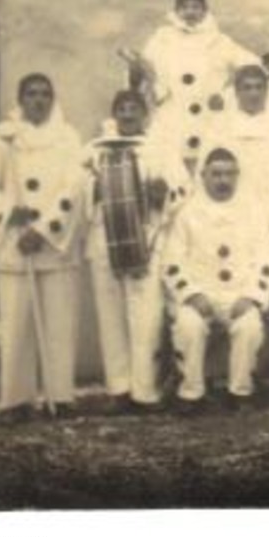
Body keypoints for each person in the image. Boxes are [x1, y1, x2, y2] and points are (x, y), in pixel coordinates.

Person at [0, 73, 86, 420]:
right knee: (16, 323)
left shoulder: (68, 138)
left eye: (45, 94)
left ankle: (60, 396)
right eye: (31, 94)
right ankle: (16, 400)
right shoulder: (5, 139)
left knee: (59, 323)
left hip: (55, 244)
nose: (38, 100)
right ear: (21, 100)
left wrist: (44, 228)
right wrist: (9, 212)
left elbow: (74, 189)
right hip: (15, 245)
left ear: (53, 99)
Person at [80, 89, 186, 413]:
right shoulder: (94, 150)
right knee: (111, 315)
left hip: (146, 240)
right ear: (114, 114)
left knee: (146, 316)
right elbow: (75, 188)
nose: (127, 115)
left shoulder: (159, 149)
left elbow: (183, 189)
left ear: (145, 114)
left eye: (133, 109)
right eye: (121, 109)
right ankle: (120, 389)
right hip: (104, 240)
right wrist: (93, 188)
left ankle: (146, 391)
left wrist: (163, 194)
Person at [161, 148, 269, 411]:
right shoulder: (188, 213)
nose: (223, 180)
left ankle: (241, 391)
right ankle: (191, 392)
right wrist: (191, 294)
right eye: (216, 174)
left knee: (249, 326)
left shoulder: (253, 212)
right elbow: (171, 261)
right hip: (201, 293)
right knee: (188, 325)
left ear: (238, 176)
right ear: (203, 176)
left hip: (239, 293)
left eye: (229, 174)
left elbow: (267, 259)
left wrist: (251, 296)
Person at [126, 0, 256, 172]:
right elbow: (144, 71)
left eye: (195, 7)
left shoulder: (218, 41)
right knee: (170, 170)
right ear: (177, 11)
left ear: (204, 10)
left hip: (208, 121)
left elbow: (253, 67)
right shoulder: (162, 39)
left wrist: (226, 96)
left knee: (205, 170)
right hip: (172, 118)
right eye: (185, 7)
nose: (190, 12)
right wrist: (139, 73)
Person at [206, 64, 269, 225]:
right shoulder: (219, 124)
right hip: (228, 212)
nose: (254, 93)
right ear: (236, 92)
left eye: (259, 87)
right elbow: (205, 173)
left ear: (266, 91)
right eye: (247, 88)